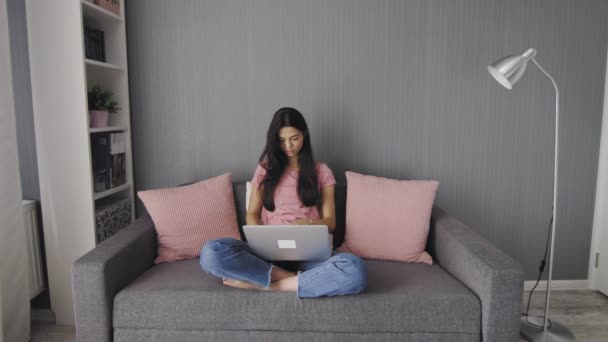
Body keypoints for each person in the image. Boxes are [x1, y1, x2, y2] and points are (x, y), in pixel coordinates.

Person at [200, 107, 367, 298]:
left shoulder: (321, 171)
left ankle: (273, 285)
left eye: (294, 138)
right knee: (211, 253)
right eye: (281, 140)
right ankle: (296, 279)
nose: (288, 145)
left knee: (355, 270)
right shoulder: (265, 169)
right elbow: (252, 214)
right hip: (267, 255)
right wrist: (260, 239)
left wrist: (309, 224)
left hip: (309, 254)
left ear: (304, 135)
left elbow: (330, 222)